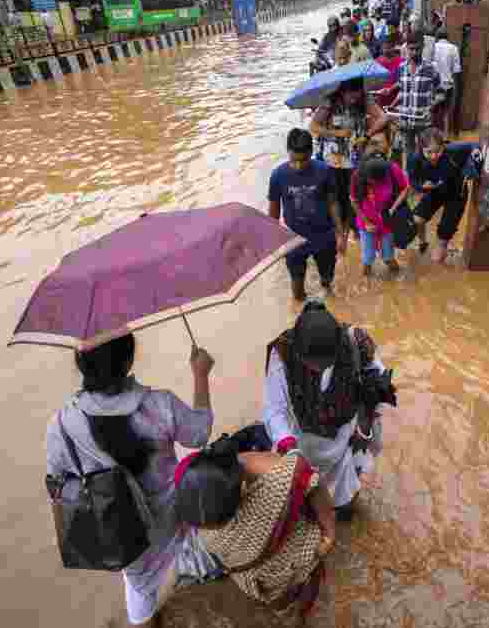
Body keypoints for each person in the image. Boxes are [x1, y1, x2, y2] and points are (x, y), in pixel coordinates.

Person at [46, 335, 220, 627]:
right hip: (173, 517)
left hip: (121, 531)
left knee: (139, 587)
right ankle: (198, 576)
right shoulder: (159, 404)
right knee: (187, 549)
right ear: (129, 361)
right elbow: (199, 433)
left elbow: (56, 482)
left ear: (81, 365)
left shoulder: (62, 423)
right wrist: (200, 375)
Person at [174, 434, 336, 626]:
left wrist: (329, 535)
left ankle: (289, 614)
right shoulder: (282, 477)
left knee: (284, 597)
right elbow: (315, 488)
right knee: (302, 586)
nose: (204, 529)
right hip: (300, 552)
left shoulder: (208, 531)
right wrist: (328, 535)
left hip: (261, 576)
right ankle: (295, 613)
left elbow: (312, 486)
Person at [262, 301, 395, 520]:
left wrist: (364, 425)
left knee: (349, 483)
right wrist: (289, 446)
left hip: (348, 430)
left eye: (327, 363)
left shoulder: (356, 341)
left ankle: (345, 510)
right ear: (299, 353)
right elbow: (275, 408)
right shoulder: (283, 352)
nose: (320, 370)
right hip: (303, 435)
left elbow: (380, 384)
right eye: (312, 365)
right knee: (305, 489)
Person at [269, 128, 347, 301]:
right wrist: (273, 240)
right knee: (297, 288)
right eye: (294, 160)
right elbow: (274, 209)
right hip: (293, 239)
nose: (298, 165)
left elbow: (333, 203)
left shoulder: (324, 170)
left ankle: (329, 300)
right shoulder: (278, 175)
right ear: (288, 151)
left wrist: (340, 234)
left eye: (303, 160)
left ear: (311, 152)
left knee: (327, 279)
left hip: (323, 236)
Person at [309, 78, 390, 239]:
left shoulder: (365, 99)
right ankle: (339, 228)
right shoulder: (329, 101)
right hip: (333, 158)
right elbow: (314, 126)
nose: (353, 100)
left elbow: (383, 118)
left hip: (356, 157)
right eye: (350, 96)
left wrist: (367, 136)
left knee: (355, 192)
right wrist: (336, 133)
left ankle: (354, 227)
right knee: (335, 194)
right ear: (342, 91)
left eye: (357, 96)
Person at [409, 128, 479, 263]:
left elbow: (474, 146)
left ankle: (442, 247)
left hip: (456, 195)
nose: (434, 156)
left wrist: (472, 164)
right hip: (435, 192)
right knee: (416, 220)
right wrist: (422, 186)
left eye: (438, 151)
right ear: (421, 149)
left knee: (437, 257)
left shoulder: (453, 150)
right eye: (429, 152)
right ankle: (423, 242)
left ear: (443, 146)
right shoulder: (415, 159)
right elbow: (412, 180)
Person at [390, 33, 440, 174]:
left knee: (425, 151)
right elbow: (403, 91)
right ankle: (410, 180)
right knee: (408, 153)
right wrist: (394, 103)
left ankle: (424, 178)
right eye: (411, 49)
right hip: (405, 120)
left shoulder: (431, 69)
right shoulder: (401, 68)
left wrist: (431, 106)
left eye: (417, 49)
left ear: (423, 47)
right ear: (407, 48)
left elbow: (441, 92)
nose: (414, 52)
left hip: (423, 121)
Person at [351, 156, 410, 276]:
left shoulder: (392, 169)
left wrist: (393, 209)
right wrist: (366, 222)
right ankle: (365, 283)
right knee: (367, 259)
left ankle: (398, 280)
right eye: (374, 182)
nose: (378, 184)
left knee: (388, 257)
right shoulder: (357, 176)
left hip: (386, 220)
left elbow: (406, 188)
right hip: (366, 222)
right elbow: (353, 200)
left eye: (381, 181)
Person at [430, 28, 462, 135]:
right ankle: (446, 136)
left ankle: (431, 135)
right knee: (446, 111)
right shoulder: (454, 48)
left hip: (433, 84)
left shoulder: (432, 47)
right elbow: (456, 70)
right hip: (448, 85)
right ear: (448, 38)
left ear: (437, 37)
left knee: (432, 110)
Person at [373, 38, 403, 110]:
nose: (386, 50)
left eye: (388, 48)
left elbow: (403, 81)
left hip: (397, 100)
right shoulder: (377, 62)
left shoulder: (401, 62)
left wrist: (391, 89)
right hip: (381, 99)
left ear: (393, 48)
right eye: (384, 48)